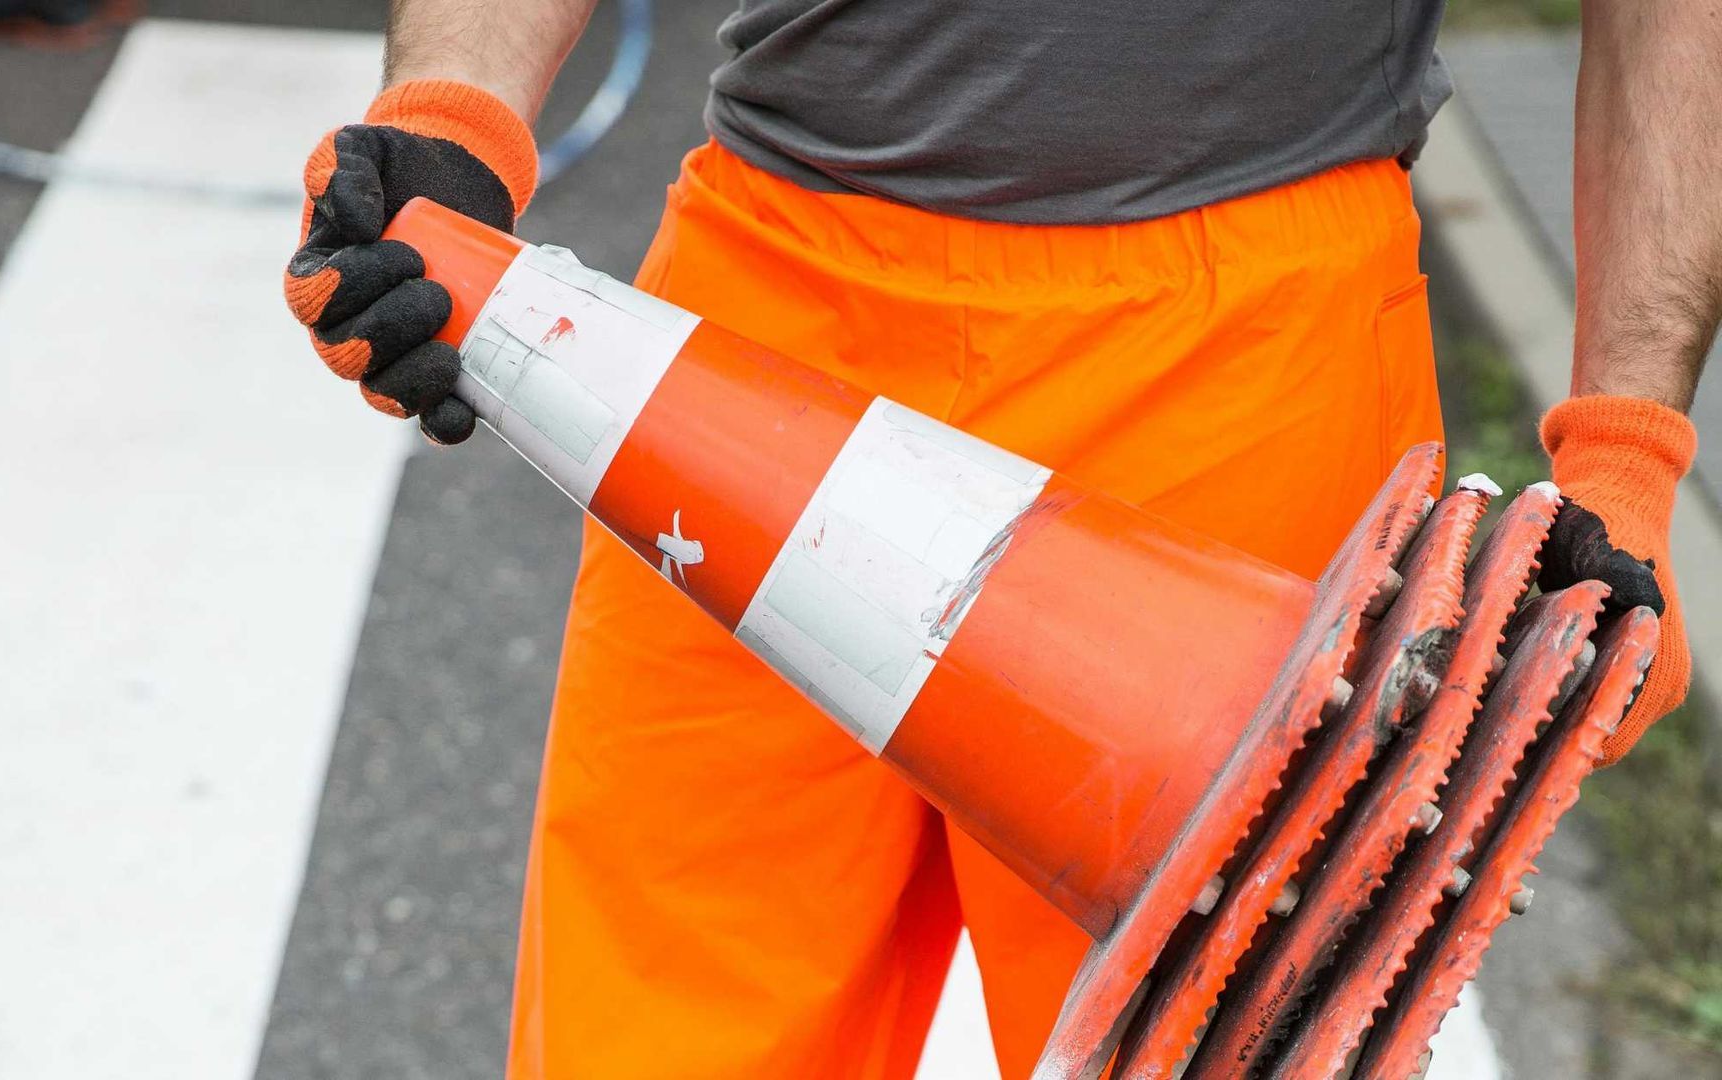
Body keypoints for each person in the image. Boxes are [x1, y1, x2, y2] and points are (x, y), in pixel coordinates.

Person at [283, 3, 1715, 1075]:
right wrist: (457, 115)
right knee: (653, 1041)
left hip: (1241, 340)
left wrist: (1627, 451)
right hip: (770, 318)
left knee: (1218, 1042)